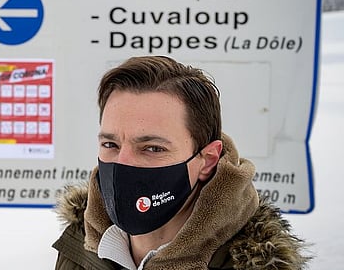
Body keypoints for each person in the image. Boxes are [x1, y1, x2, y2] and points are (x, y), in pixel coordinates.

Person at [52, 56, 310, 270]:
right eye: (111, 145)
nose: (124, 163)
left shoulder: (252, 264)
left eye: (153, 148)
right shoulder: (80, 244)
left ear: (207, 160)